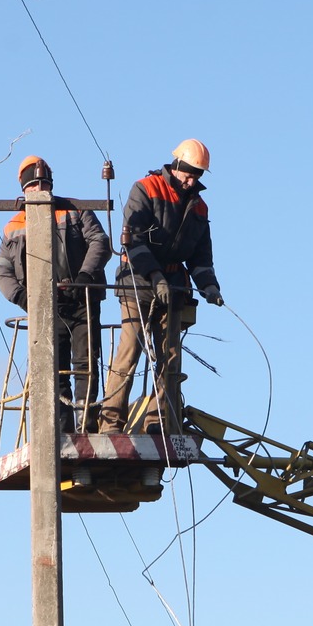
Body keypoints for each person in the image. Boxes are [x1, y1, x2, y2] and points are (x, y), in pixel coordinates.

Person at [98, 139, 222, 434]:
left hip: (175, 288)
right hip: (137, 283)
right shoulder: (146, 189)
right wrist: (154, 276)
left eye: (198, 175)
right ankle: (110, 422)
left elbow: (201, 257)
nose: (192, 180)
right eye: (189, 172)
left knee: (170, 358)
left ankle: (157, 422)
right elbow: (134, 238)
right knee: (130, 350)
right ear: (176, 165)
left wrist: (210, 286)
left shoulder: (199, 208)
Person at [0, 156, 111, 429]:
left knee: (86, 363)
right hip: (45, 306)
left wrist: (84, 277)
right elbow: (1, 269)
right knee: (52, 369)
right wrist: (22, 297)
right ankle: (61, 426)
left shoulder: (75, 211)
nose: (40, 189)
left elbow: (100, 242)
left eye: (45, 183)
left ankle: (86, 424)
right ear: (24, 190)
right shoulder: (13, 227)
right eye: (34, 185)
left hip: (82, 300)